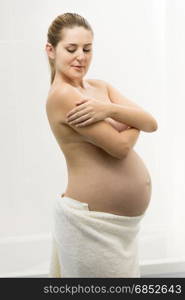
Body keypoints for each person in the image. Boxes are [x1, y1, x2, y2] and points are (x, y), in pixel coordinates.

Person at [45, 12, 158, 278]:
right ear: (51, 50)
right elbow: (119, 148)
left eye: (87, 48)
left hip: (121, 229)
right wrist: (130, 122)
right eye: (71, 49)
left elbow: (151, 122)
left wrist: (107, 109)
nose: (81, 57)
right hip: (92, 226)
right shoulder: (63, 95)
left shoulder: (100, 88)